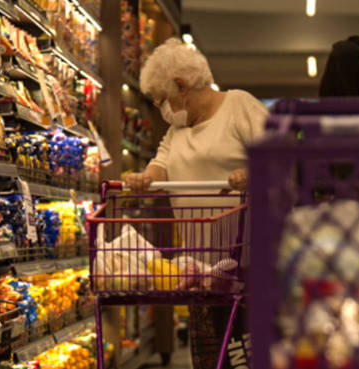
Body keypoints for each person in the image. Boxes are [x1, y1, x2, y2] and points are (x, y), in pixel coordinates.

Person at [125, 37, 268, 369]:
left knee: (249, 356)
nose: (162, 109)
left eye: (162, 100)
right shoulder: (177, 131)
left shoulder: (239, 106)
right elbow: (160, 164)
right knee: (209, 357)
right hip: (200, 271)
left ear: (181, 85)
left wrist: (251, 172)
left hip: (249, 265)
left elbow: (278, 155)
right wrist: (144, 177)